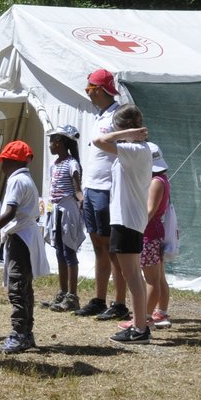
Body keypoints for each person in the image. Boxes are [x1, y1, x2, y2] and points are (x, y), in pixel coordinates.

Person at [93, 105, 153, 343]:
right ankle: (139, 325)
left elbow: (99, 140)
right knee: (132, 275)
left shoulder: (134, 149)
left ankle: (140, 328)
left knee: (132, 276)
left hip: (127, 219)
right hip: (126, 217)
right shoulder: (134, 149)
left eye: (116, 128)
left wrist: (122, 134)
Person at [0, 140, 48, 353]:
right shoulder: (24, 178)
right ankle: (26, 331)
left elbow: (10, 212)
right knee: (24, 286)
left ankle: (20, 333)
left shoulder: (17, 180)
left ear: (11, 161)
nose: (2, 166)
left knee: (18, 286)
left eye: (3, 161)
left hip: (21, 237)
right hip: (24, 235)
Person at [76, 69, 128, 321]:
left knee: (113, 248)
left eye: (89, 89)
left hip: (109, 188)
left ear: (99, 89)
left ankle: (119, 302)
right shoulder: (98, 116)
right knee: (98, 244)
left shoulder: (118, 114)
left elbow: (128, 147)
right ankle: (99, 298)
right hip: (92, 186)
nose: (87, 94)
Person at [44, 125, 84, 311]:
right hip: (56, 210)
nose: (50, 145)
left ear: (59, 143)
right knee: (59, 249)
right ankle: (62, 291)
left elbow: (77, 189)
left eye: (52, 141)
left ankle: (72, 295)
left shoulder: (72, 164)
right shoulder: (55, 165)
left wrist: (82, 203)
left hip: (67, 209)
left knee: (69, 251)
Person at [142, 143, 173, 329]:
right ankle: (160, 312)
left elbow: (150, 210)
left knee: (151, 279)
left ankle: (144, 317)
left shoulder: (155, 182)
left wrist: (134, 228)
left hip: (149, 234)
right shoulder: (163, 179)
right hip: (155, 232)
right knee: (159, 277)